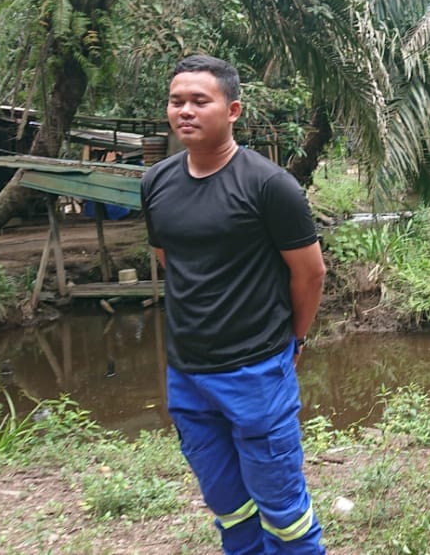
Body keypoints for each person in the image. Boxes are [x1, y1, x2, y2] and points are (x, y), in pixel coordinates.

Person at [141, 54, 327, 555]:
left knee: (284, 514)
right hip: (187, 374)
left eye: (200, 100)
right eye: (176, 101)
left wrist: (295, 339)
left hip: (256, 372)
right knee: (228, 508)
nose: (185, 111)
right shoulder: (156, 183)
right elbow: (170, 258)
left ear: (233, 110)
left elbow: (309, 274)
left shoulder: (269, 186)